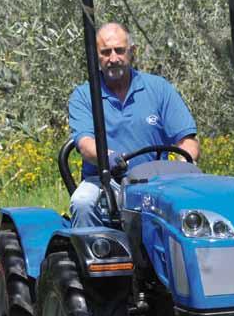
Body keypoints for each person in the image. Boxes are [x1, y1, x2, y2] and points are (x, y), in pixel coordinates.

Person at [68, 22, 200, 227]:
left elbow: (187, 141)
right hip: (107, 182)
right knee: (83, 202)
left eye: (119, 50)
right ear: (96, 56)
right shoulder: (84, 95)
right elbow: (85, 144)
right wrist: (109, 158)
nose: (113, 58)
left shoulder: (158, 89)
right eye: (105, 52)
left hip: (157, 182)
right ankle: (97, 255)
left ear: (132, 52)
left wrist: (184, 167)